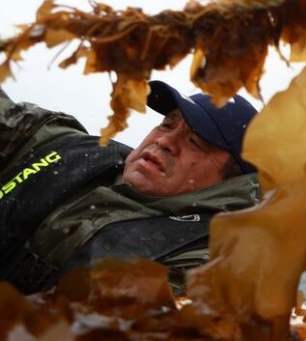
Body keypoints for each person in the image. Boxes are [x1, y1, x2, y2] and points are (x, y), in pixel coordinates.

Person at [0, 80, 260, 294]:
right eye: (167, 125)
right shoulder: (62, 145)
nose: (165, 140)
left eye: (195, 141)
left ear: (230, 181)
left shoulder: (203, 263)